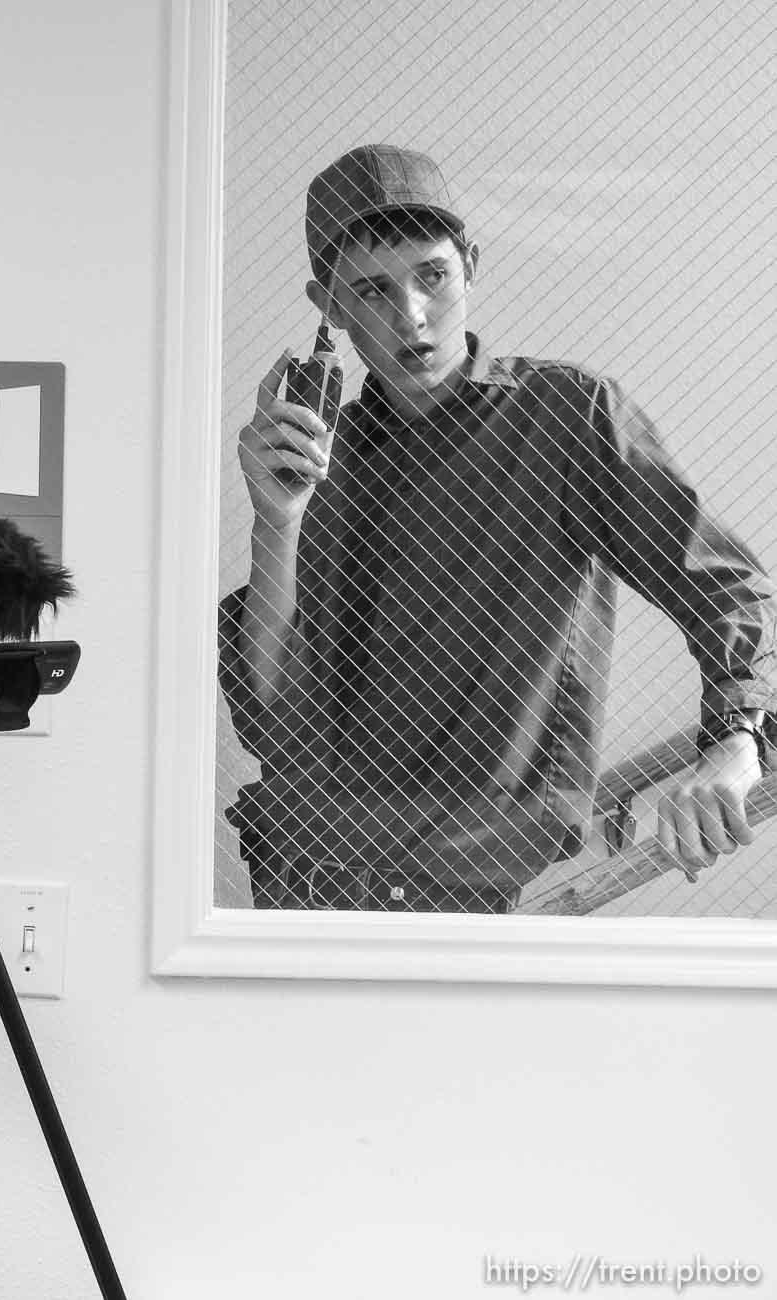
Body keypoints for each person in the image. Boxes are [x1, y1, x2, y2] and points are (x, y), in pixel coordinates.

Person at [220, 144, 777, 913]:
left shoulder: (566, 416)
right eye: (372, 291)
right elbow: (276, 715)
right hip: (310, 879)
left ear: (470, 265)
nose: (410, 317)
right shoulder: (319, 459)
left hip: (473, 879)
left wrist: (735, 742)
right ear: (331, 307)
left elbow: (724, 590)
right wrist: (274, 522)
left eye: (432, 277)